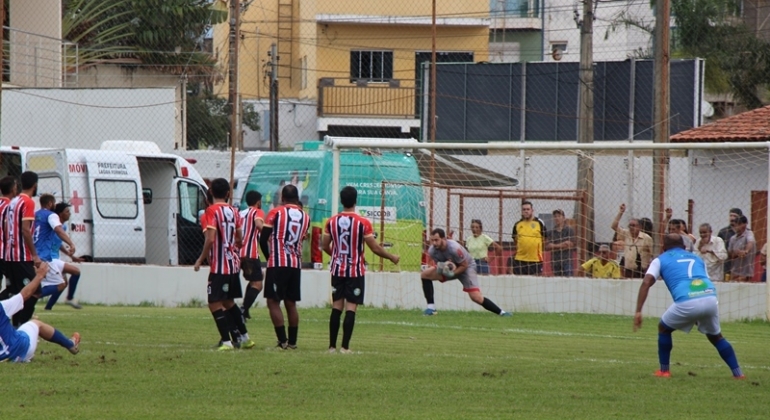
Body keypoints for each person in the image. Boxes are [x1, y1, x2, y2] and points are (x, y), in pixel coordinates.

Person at [633, 234, 745, 379]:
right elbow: (704, 278)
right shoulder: (697, 258)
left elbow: (646, 282)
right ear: (684, 246)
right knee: (716, 337)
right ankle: (738, 374)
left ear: (663, 247)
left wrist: (638, 311)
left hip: (687, 301)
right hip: (709, 297)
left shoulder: (660, 259)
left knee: (664, 329)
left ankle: (664, 371)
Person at [322, 186, 400, 353]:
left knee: (336, 306)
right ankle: (345, 347)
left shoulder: (331, 221)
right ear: (356, 201)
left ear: (341, 201)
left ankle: (331, 347)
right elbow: (375, 249)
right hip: (355, 271)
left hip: (337, 270)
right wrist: (391, 257)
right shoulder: (363, 223)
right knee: (351, 307)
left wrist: (336, 255)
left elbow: (324, 246)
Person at [194, 178, 254, 351]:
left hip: (219, 265)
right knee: (228, 302)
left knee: (214, 302)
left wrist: (200, 259)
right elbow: (240, 240)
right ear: (228, 193)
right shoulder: (234, 211)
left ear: (211, 192)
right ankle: (245, 338)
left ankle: (226, 341)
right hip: (233, 263)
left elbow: (210, 239)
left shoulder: (210, 211)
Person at [259, 184, 310, 349]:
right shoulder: (305, 217)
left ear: (282, 198)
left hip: (278, 262)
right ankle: (293, 342)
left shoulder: (276, 212)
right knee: (291, 303)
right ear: (297, 199)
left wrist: (269, 259)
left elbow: (263, 239)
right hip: (295, 264)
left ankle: (282, 341)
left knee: (273, 302)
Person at [1, 261, 81, 363]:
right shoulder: (2, 307)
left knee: (15, 331)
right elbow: (25, 295)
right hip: (18, 350)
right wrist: (39, 275)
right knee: (35, 323)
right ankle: (70, 344)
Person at [421, 228, 512, 317]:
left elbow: (464, 266)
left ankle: (502, 312)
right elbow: (440, 265)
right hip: (453, 269)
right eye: (432, 240)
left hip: (467, 268)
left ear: (444, 239)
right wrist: (443, 267)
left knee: (476, 298)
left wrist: (452, 273)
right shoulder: (432, 251)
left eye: (436, 240)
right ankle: (431, 309)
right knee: (425, 275)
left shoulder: (454, 248)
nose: (434, 243)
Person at [4, 171, 41, 326]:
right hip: (21, 256)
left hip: (9, 255)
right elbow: (26, 230)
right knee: (34, 291)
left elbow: (6, 226)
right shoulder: (28, 202)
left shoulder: (13, 201)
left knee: (16, 291)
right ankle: (21, 324)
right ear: (35, 185)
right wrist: (34, 255)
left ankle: (14, 324)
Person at [239, 190, 265, 320]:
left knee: (255, 279)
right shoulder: (257, 212)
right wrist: (269, 236)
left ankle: (245, 309)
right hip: (250, 253)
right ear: (258, 202)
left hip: (238, 253)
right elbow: (259, 224)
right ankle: (242, 310)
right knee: (257, 284)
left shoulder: (240, 213)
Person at [611, 203, 653, 278]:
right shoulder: (626, 234)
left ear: (640, 227)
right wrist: (620, 213)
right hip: (628, 271)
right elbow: (614, 226)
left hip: (641, 271)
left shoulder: (646, 238)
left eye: (633, 225)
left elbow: (652, 253)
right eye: (630, 225)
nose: (631, 227)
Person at [511, 201, 546, 276]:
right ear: (521, 211)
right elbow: (515, 240)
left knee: (535, 283)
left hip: (535, 259)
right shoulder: (517, 224)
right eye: (524, 209)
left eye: (528, 209)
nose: (526, 211)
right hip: (520, 259)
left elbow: (545, 239)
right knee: (519, 282)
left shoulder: (539, 223)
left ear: (532, 210)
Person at [0, 176, 17, 301]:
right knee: (15, 283)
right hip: (4, 252)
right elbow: (8, 228)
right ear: (13, 189)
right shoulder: (10, 206)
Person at [545, 209, 575, 276]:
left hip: (567, 261)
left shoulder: (569, 230)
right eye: (555, 216)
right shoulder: (551, 232)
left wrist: (554, 246)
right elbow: (547, 246)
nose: (557, 218)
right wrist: (562, 245)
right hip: (555, 261)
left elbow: (570, 244)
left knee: (569, 280)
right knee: (558, 281)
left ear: (564, 218)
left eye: (559, 216)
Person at [727, 215, 755, 282]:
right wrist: (736, 253)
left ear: (744, 225)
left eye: (738, 225)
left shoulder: (749, 234)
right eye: (735, 225)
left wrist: (745, 251)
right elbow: (730, 254)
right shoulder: (733, 238)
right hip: (734, 271)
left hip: (746, 272)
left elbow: (750, 242)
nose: (736, 227)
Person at [717, 208, 742, 280]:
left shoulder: (745, 232)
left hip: (741, 265)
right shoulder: (723, 232)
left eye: (734, 216)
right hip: (727, 265)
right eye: (731, 216)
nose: (732, 218)